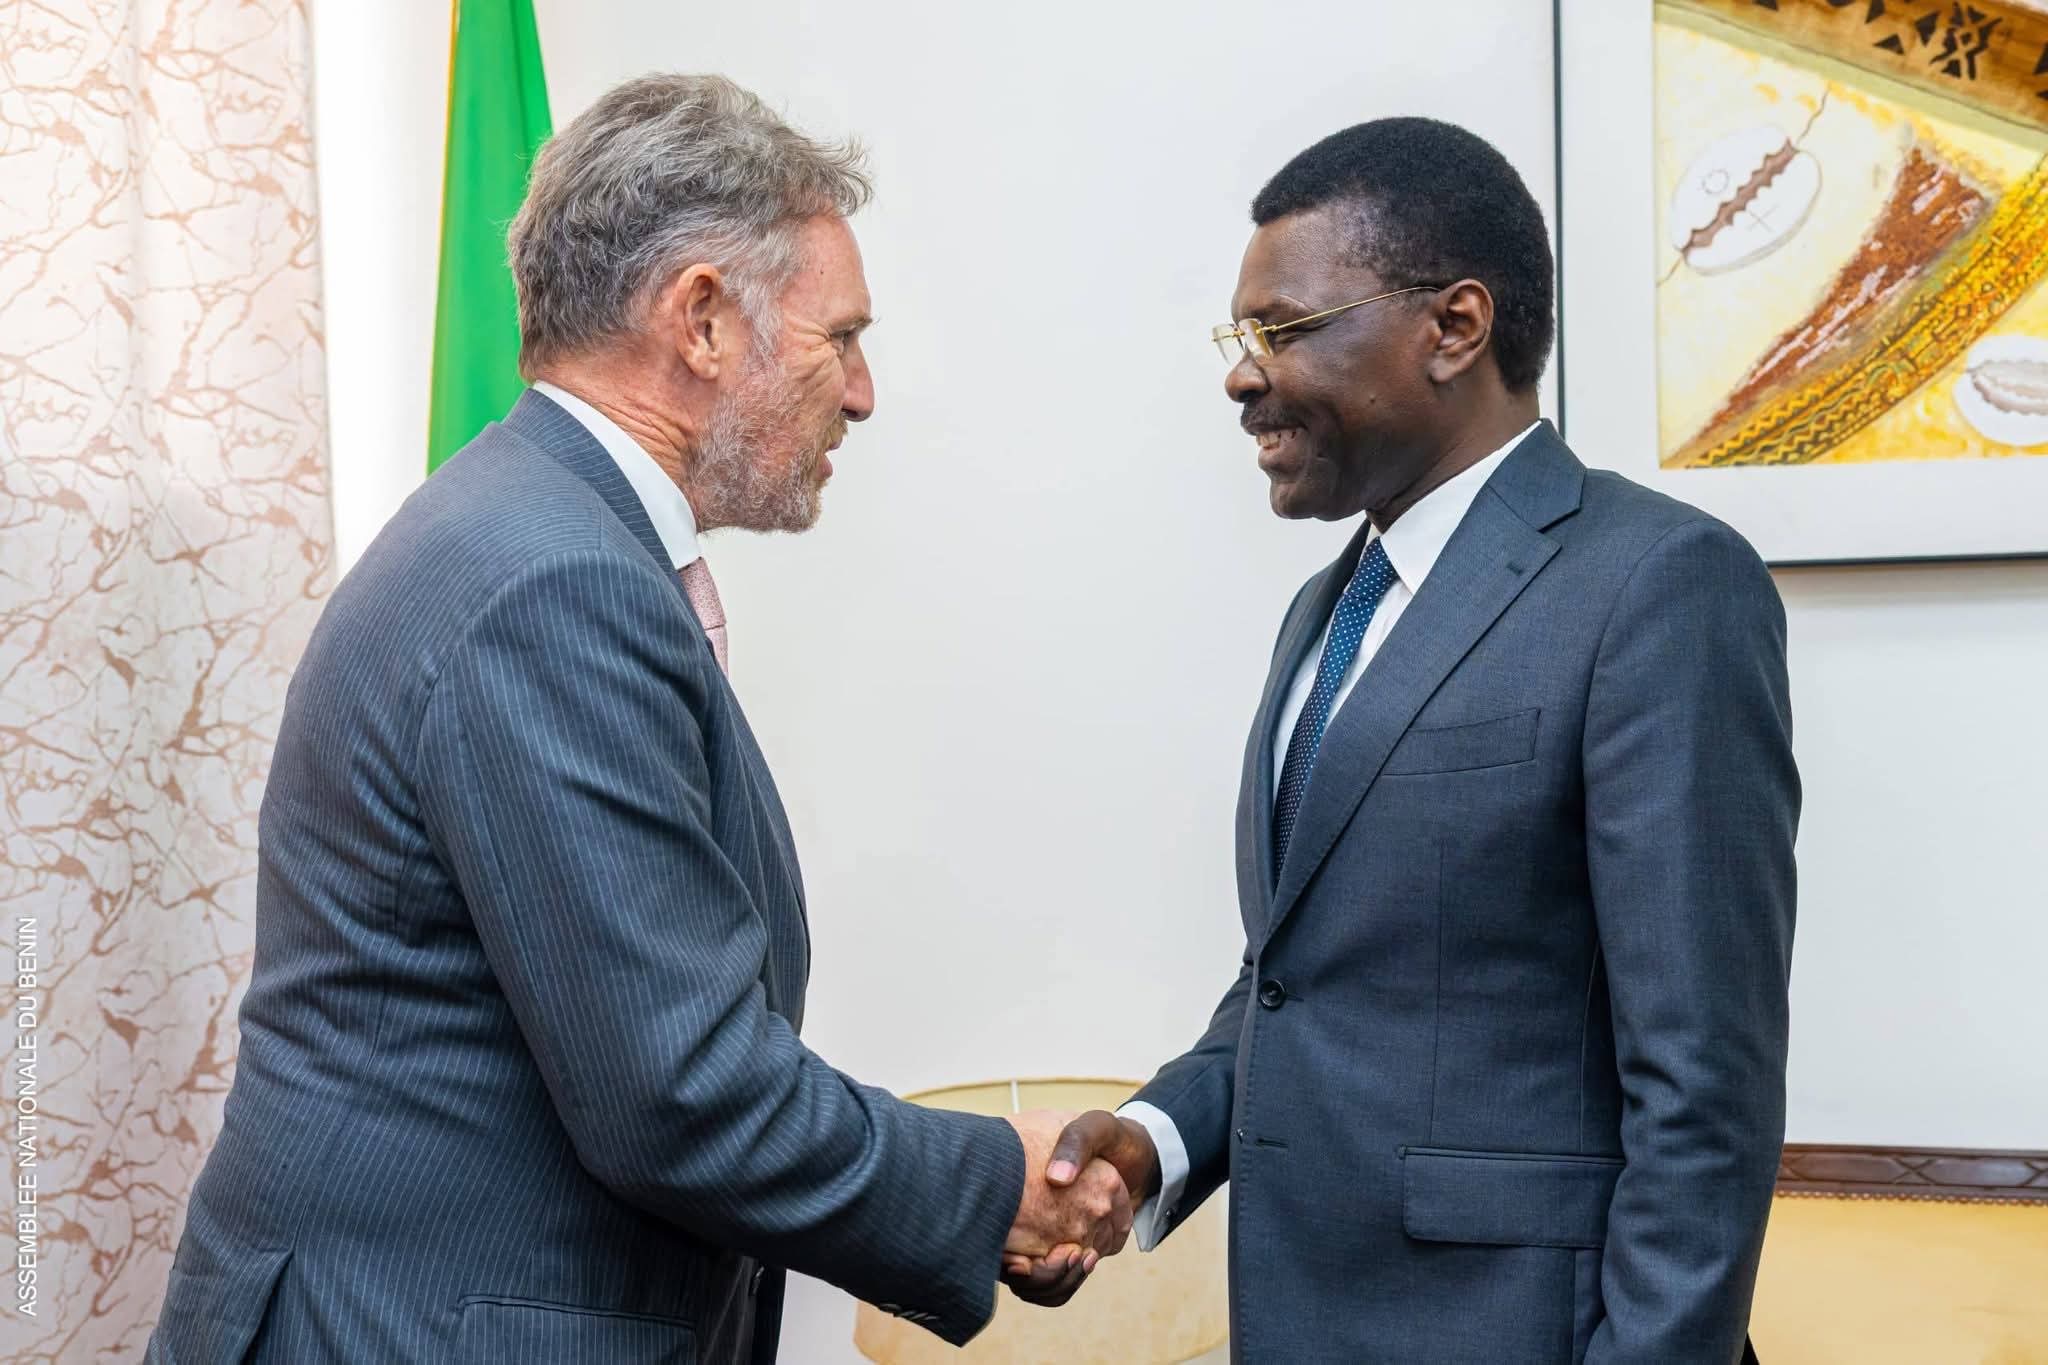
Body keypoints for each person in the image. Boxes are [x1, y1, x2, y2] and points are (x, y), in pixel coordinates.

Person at [147, 74, 1128, 1365]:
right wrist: (994, 1179)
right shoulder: (550, 579)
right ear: (704, 320)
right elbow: (679, 1093)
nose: (864, 393)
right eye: (841, 337)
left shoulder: (536, 532)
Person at [1014, 118, 1797, 1364]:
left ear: (1453, 327)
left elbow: (1703, 1083)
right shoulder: (1325, 608)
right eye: (1240, 338)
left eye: (1281, 329)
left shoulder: (1659, 583)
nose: (1239, 374)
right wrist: (1149, 1142)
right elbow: (1297, 983)